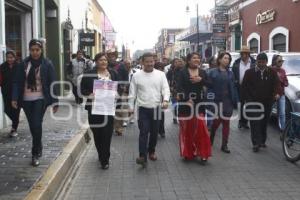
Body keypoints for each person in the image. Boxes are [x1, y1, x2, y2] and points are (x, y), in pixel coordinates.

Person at [11, 39, 59, 166]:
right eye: (32, 50)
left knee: (36, 124)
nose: (35, 52)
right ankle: (39, 144)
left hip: (40, 98)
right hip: (26, 99)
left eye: (37, 50)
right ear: (29, 50)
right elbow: (16, 81)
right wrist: (14, 98)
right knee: (33, 126)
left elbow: (53, 82)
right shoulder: (24, 64)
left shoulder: (47, 63)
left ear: (41, 50)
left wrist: (55, 101)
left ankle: (35, 153)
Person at [129, 52, 170, 167]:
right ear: (142, 62)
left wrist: (166, 100)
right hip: (143, 109)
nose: (149, 64)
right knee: (143, 132)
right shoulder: (136, 76)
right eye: (147, 61)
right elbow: (132, 94)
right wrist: (131, 107)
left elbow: (165, 89)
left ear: (154, 61)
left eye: (151, 61)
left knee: (154, 132)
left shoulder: (161, 75)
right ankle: (142, 156)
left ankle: (151, 151)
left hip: (157, 108)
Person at [80, 53, 119, 169]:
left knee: (107, 134)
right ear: (96, 61)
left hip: (108, 108)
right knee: (97, 134)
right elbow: (82, 89)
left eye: (105, 60)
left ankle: (105, 159)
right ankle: (101, 153)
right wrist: (89, 94)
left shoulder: (113, 74)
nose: (103, 62)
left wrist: (117, 94)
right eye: (101, 60)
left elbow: (119, 88)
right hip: (94, 108)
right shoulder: (88, 75)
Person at [176, 52, 212, 163]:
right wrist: (187, 98)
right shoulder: (182, 73)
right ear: (188, 61)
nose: (197, 59)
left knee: (201, 129)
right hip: (185, 104)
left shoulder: (202, 72)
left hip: (199, 104)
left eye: (198, 58)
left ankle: (203, 154)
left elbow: (210, 84)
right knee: (187, 131)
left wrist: (201, 80)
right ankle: (188, 153)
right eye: (194, 58)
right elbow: (179, 88)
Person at [241, 52, 279, 152]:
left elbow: (276, 85)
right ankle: (255, 143)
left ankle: (262, 141)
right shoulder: (249, 72)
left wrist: (276, 94)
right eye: (259, 62)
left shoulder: (272, 72)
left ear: (266, 62)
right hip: (253, 102)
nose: (261, 64)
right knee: (254, 122)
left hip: (267, 102)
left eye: (263, 62)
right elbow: (244, 87)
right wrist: (246, 100)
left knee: (264, 122)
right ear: (256, 61)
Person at [208, 52, 237, 154]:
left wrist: (235, 100)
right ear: (219, 60)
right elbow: (208, 88)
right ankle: (211, 138)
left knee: (226, 123)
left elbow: (233, 87)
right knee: (216, 123)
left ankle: (224, 145)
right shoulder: (212, 72)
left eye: (228, 59)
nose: (227, 60)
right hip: (216, 101)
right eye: (225, 58)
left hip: (227, 101)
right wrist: (210, 101)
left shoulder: (231, 73)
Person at [232, 45, 256, 129]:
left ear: (249, 54)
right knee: (241, 105)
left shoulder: (254, 63)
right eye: (242, 54)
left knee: (249, 105)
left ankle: (245, 121)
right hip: (240, 87)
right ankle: (241, 122)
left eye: (246, 53)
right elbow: (233, 75)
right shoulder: (236, 63)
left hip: (251, 88)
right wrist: (235, 81)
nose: (244, 55)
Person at [0, 51, 21, 137]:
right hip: (6, 91)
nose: (10, 59)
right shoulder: (2, 67)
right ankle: (15, 121)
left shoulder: (19, 66)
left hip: (17, 92)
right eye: (8, 57)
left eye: (11, 57)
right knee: (7, 110)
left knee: (16, 110)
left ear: (14, 57)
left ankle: (14, 128)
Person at [272, 55, 288, 134]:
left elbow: (286, 82)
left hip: (281, 94)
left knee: (282, 113)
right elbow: (269, 84)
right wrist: (275, 94)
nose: (281, 63)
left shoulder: (283, 71)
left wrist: (281, 79)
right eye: (279, 61)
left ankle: (283, 130)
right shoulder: (271, 70)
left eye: (282, 61)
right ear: (275, 61)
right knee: (268, 112)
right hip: (272, 95)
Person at [167, 58, 184, 124]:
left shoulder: (184, 71)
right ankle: (174, 117)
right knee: (175, 105)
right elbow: (167, 80)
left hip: (182, 91)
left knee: (181, 105)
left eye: (179, 61)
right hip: (174, 90)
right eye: (176, 62)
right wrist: (169, 88)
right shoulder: (171, 71)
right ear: (173, 63)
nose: (178, 63)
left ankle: (180, 117)